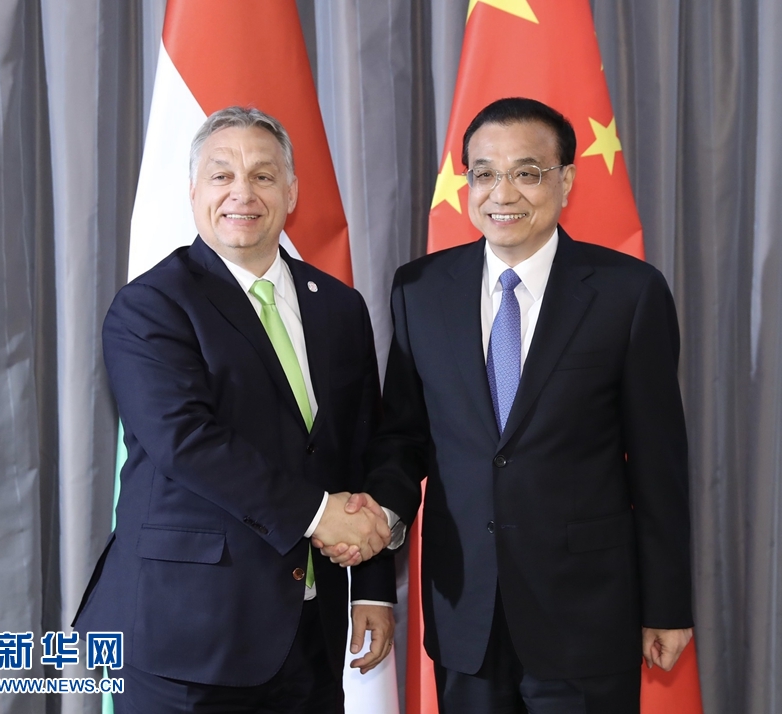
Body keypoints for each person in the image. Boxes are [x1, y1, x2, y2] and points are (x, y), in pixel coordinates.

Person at [322, 97, 693, 713]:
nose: (503, 193)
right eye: (484, 173)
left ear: (565, 180)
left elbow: (660, 464)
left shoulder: (629, 293)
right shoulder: (420, 289)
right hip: (465, 610)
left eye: (526, 172)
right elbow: (404, 437)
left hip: (585, 616)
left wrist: (668, 603)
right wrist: (382, 516)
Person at [73, 106, 395, 714]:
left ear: (291, 192)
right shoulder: (152, 305)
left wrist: (372, 589)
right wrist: (318, 515)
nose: (242, 193)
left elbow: (362, 451)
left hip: (310, 636)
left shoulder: (340, 307)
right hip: (187, 636)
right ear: (194, 191)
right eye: (221, 175)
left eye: (263, 176)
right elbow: (187, 442)